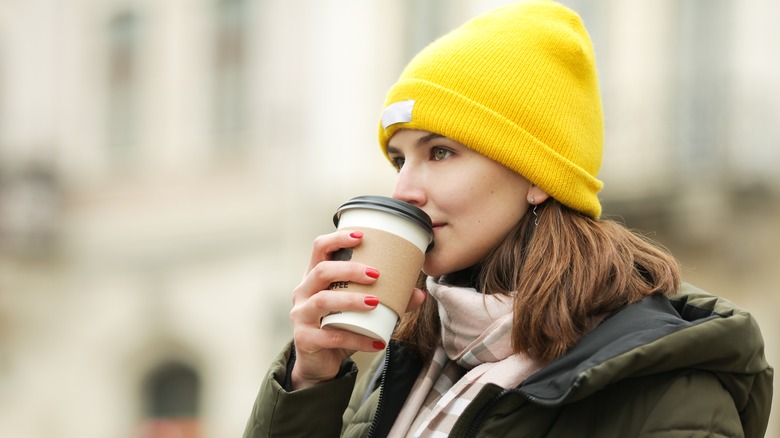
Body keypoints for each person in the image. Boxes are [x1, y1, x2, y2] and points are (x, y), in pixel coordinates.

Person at [243, 1, 773, 436]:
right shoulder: (407, 361)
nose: (403, 190)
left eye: (441, 152)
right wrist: (309, 381)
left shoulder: (667, 383)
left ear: (536, 173)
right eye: (400, 159)